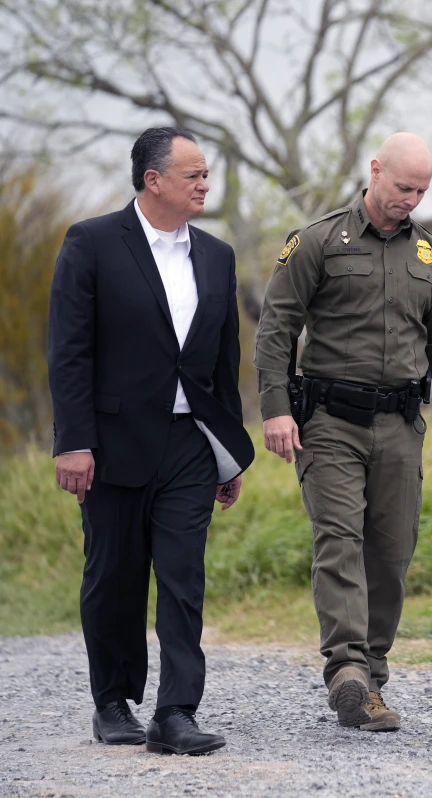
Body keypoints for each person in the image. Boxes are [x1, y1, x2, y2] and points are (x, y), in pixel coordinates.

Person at [48, 127, 254, 755]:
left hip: (190, 443)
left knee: (183, 576)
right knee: (114, 574)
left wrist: (227, 454)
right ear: (153, 180)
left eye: (206, 174)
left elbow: (223, 363)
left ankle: (176, 712)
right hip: (112, 443)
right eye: (194, 175)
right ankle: (112, 702)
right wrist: (73, 441)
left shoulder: (216, 255)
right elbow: (69, 351)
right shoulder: (91, 243)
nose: (205, 185)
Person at [253, 132, 432, 732]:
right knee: (340, 538)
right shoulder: (318, 241)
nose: (411, 199)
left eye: (421, 191)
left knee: (391, 553)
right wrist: (275, 408)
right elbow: (276, 329)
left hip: (401, 425)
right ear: (375, 171)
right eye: (403, 187)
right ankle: (348, 669)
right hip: (329, 422)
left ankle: (372, 673)